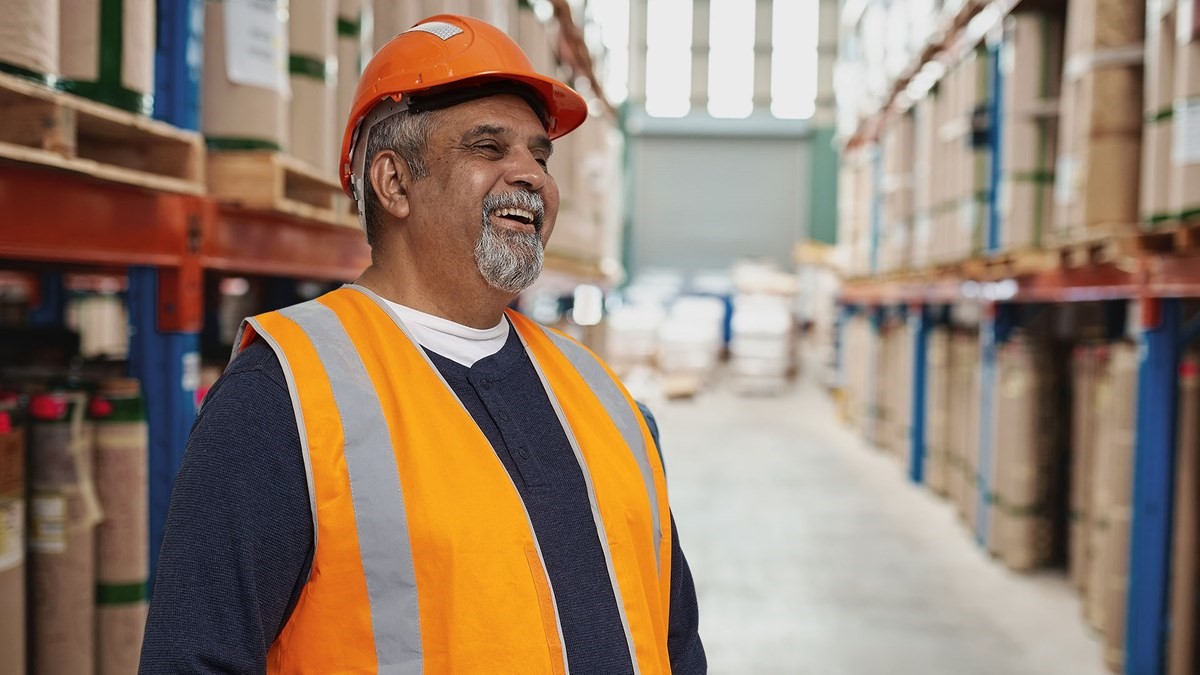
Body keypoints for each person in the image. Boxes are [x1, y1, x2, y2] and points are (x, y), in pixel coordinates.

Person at [139, 14, 706, 674]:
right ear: (395, 183)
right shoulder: (283, 398)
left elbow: (674, 640)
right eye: (489, 149)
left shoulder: (605, 399)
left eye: (539, 155)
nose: (532, 176)